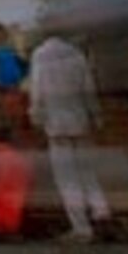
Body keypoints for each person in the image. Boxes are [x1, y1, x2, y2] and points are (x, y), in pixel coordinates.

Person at [25, 31, 116, 243]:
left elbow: (37, 93)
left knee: (67, 179)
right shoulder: (76, 54)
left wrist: (37, 119)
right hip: (81, 122)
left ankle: (81, 227)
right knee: (87, 172)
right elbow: (88, 90)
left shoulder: (40, 56)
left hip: (56, 126)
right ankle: (102, 213)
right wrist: (97, 118)